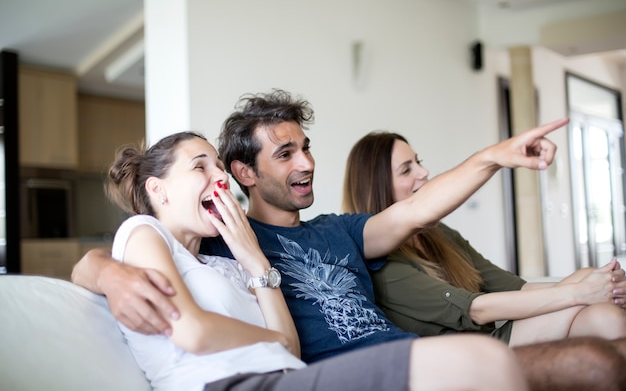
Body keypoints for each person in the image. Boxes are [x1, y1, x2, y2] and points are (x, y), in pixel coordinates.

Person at [73, 90, 626, 390]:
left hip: (404, 356)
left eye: (306, 147)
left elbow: (415, 210)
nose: (309, 163)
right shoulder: (218, 247)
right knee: (592, 365)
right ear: (245, 174)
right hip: (356, 373)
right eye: (285, 154)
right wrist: (103, 269)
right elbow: (137, 252)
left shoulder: (337, 229)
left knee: (606, 353)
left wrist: (494, 157)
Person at [100, 129, 529, 391]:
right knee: (484, 360)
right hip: (241, 384)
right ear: (158, 191)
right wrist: (100, 270)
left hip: (287, 375)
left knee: (486, 364)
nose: (219, 180)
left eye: (218, 168)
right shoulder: (144, 231)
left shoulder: (227, 261)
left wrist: (256, 264)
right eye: (200, 168)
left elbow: (288, 344)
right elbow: (191, 332)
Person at [341, 130, 626, 347]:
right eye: (407, 169)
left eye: (419, 162)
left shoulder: (438, 236)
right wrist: (581, 293)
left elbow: (519, 288)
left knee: (602, 309)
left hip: (494, 335)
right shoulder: (380, 262)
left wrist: (602, 285)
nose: (424, 172)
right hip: (472, 353)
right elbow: (476, 310)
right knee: (593, 299)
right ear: (377, 187)